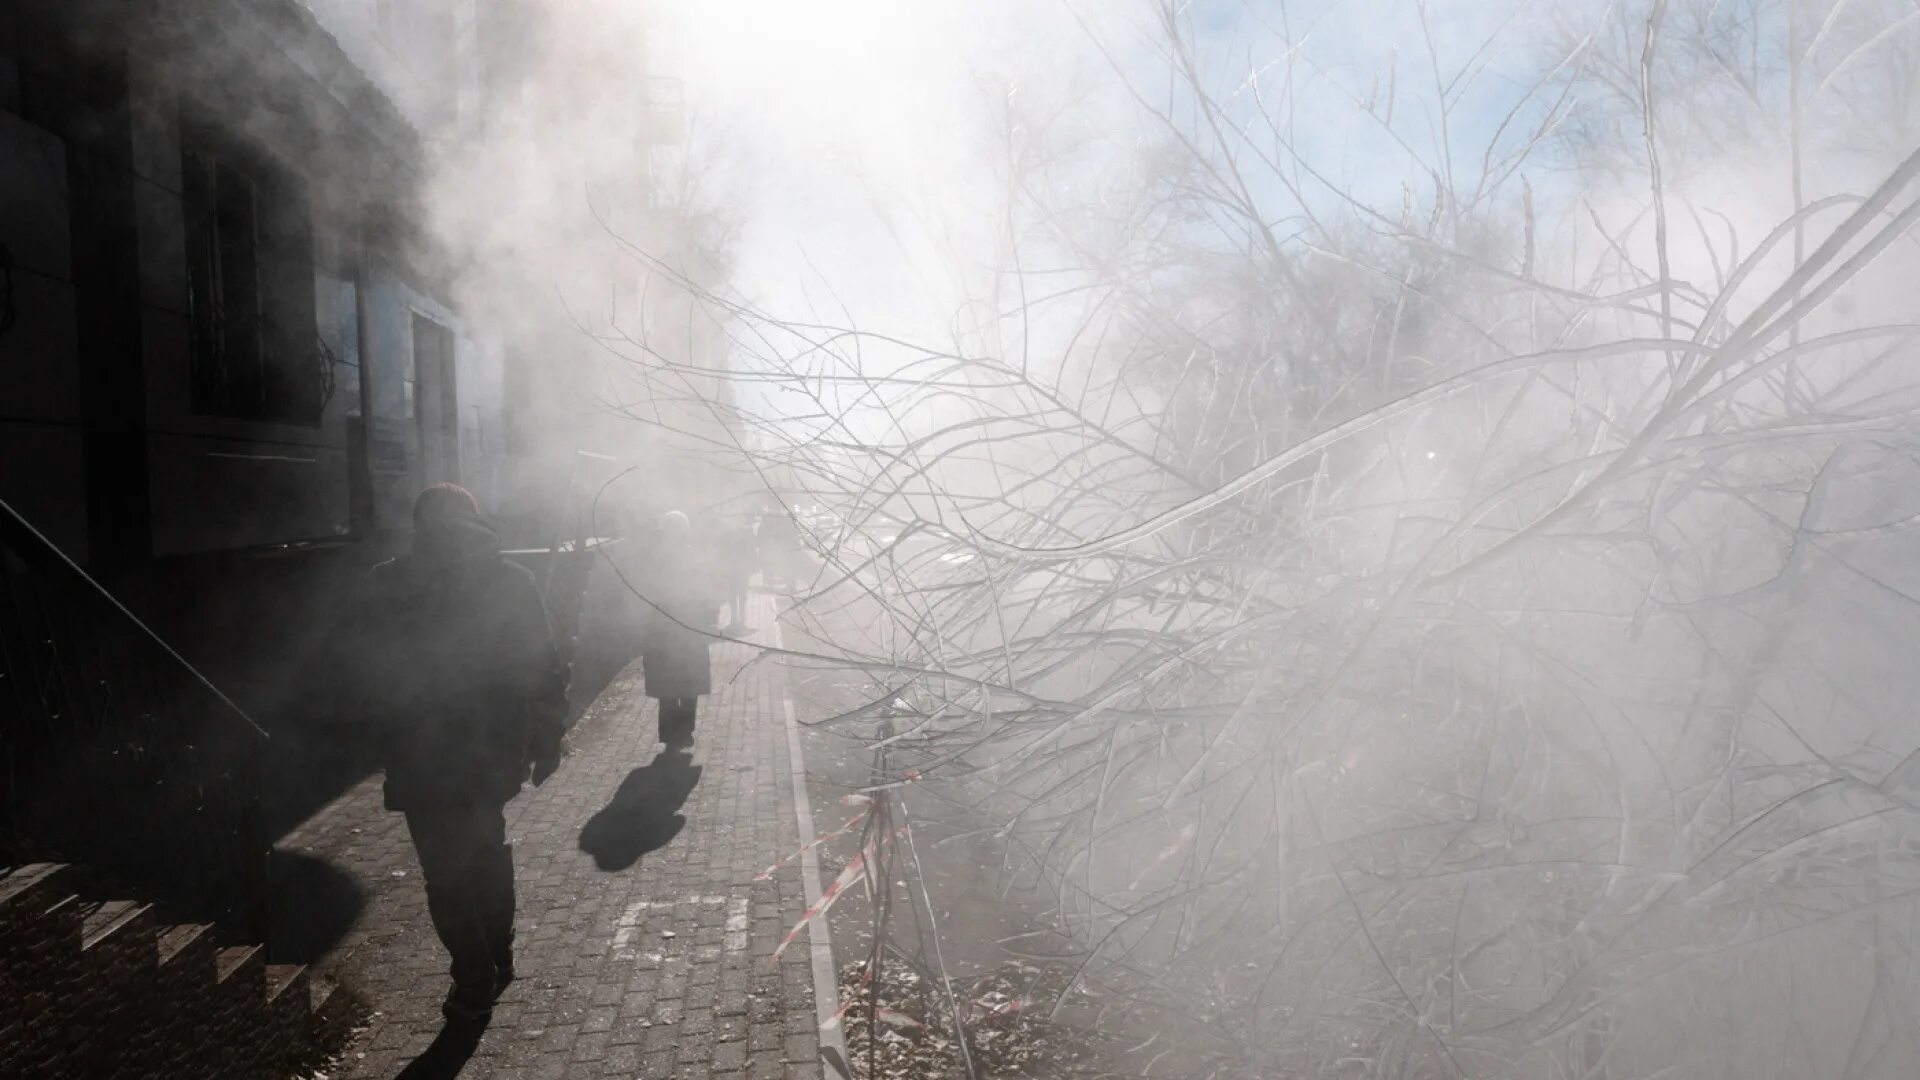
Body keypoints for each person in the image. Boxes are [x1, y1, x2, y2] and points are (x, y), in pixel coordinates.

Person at [332, 483, 568, 1021]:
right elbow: (542, 666)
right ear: (475, 521)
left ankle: (472, 975)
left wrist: (372, 737)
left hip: (421, 754)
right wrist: (548, 739)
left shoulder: (388, 583)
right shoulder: (512, 581)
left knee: (443, 869)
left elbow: (362, 671)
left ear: (419, 526)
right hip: (492, 750)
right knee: (487, 851)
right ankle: (497, 952)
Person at [640, 510, 718, 748]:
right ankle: (683, 732)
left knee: (671, 685)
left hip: (668, 631)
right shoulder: (690, 556)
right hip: (684, 630)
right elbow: (704, 591)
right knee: (685, 683)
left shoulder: (655, 559)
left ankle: (672, 733)